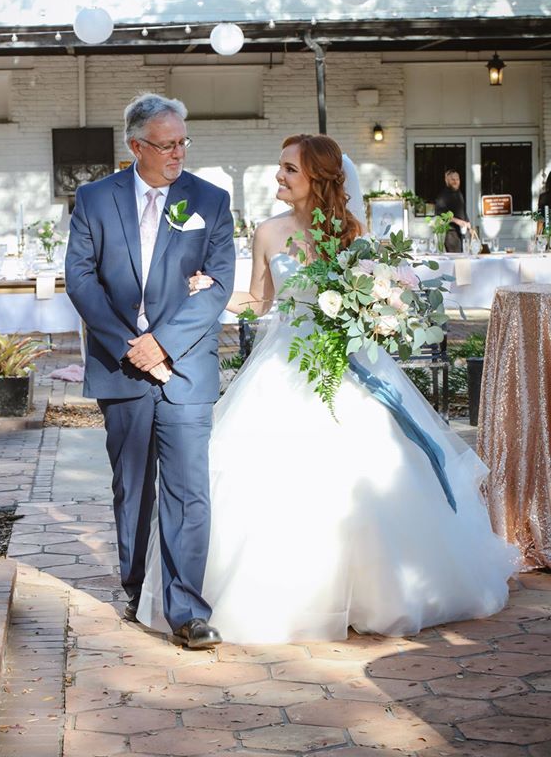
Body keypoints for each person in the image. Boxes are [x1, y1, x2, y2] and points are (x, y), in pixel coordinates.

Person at [137, 134, 518, 643]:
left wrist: (381, 311)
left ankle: (375, 594)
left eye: (289, 169)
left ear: (317, 177)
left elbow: (379, 291)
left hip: (350, 364)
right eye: (280, 168)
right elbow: (259, 302)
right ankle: (293, 598)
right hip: (286, 365)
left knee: (371, 475)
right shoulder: (269, 233)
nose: (279, 177)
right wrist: (214, 291)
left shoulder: (351, 233)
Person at [65, 92, 235, 650]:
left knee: (189, 490)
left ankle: (187, 611)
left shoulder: (210, 201)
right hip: (122, 369)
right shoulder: (93, 200)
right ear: (136, 146)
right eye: (167, 145)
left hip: (185, 368)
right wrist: (130, 346)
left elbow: (219, 287)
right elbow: (82, 281)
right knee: (132, 486)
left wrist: (162, 344)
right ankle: (136, 588)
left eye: (184, 142)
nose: (178, 154)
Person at [435, 169, 470, 253]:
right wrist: (458, 221)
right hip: (451, 234)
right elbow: (440, 214)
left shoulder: (459, 193)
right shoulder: (443, 196)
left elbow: (462, 211)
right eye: (453, 179)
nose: (455, 181)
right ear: (446, 180)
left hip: (462, 232)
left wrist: (468, 222)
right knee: (456, 261)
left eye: (457, 179)